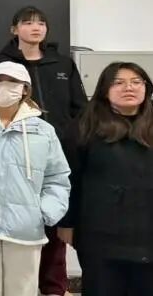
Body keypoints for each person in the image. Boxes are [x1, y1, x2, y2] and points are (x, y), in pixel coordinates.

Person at [0, 5, 87, 296]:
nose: (36, 27)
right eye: (28, 23)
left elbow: (80, 107)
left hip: (55, 150)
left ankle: (54, 287)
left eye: (41, 23)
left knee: (53, 220)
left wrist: (70, 137)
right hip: (12, 151)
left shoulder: (62, 64)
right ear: (14, 29)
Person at [0, 61, 71, 296]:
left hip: (25, 230)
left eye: (13, 82)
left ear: (25, 89)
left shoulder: (43, 130)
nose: (4, 86)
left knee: (22, 291)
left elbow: (57, 177)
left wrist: (44, 212)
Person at [57, 62, 153, 295]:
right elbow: (68, 178)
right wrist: (66, 222)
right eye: (118, 82)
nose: (128, 88)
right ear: (104, 89)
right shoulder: (84, 125)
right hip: (99, 231)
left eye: (136, 82)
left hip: (147, 230)